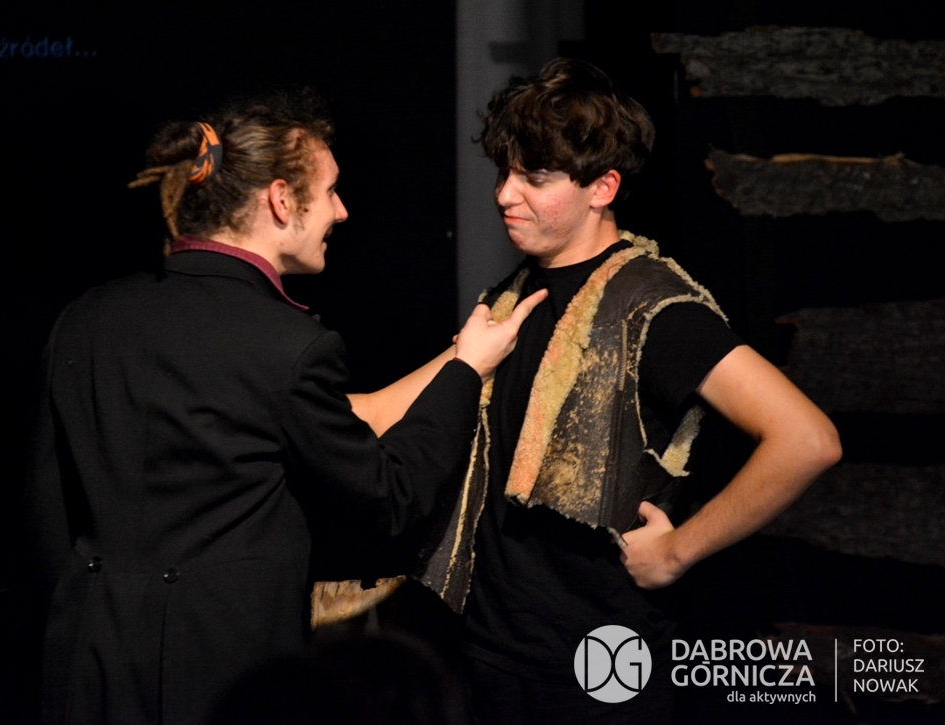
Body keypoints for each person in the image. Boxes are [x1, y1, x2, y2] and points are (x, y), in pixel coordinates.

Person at [25, 90, 545, 725]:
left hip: (84, 663)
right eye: (330, 191)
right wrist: (467, 374)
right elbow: (389, 497)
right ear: (280, 200)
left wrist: (461, 356)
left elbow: (48, 511)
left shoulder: (86, 319)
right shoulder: (289, 346)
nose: (342, 211)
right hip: (224, 674)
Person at [357, 60, 842, 724]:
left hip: (598, 662)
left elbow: (808, 439)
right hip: (490, 651)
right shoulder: (513, 297)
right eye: (503, 173)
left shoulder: (656, 309)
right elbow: (387, 410)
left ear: (603, 187)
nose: (505, 195)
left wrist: (677, 551)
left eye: (534, 177)